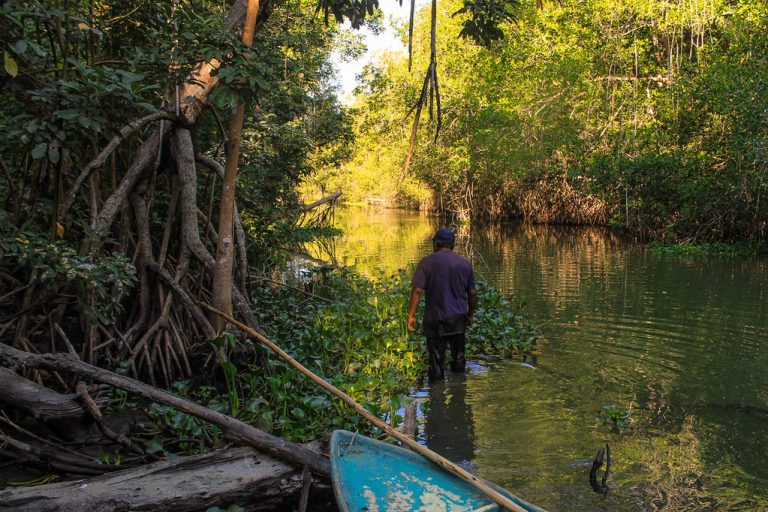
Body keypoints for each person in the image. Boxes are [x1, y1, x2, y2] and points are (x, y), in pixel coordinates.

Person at [407, 227, 477, 380]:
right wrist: (470, 314)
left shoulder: (426, 263)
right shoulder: (464, 264)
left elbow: (417, 291)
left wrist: (411, 315)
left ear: (436, 244)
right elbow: (472, 293)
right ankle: (459, 390)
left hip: (435, 320)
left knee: (436, 362)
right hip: (458, 319)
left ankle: (437, 395)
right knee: (459, 357)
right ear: (452, 245)